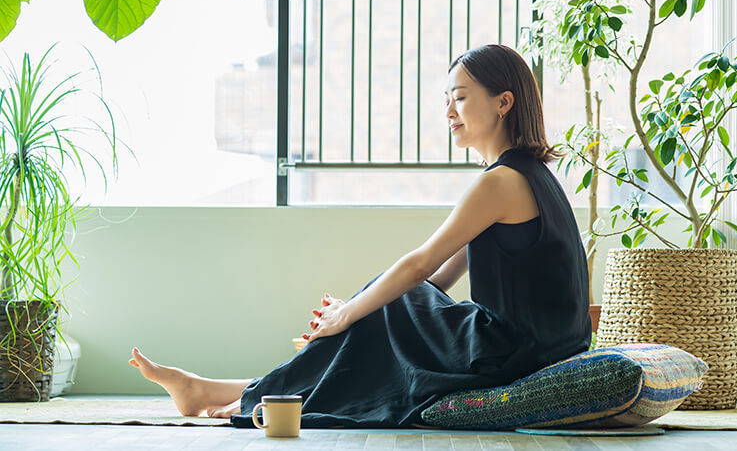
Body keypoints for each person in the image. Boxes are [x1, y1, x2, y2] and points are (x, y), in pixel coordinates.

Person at [129, 44, 592, 428]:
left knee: (389, 300)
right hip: (536, 343)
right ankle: (218, 390)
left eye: (461, 97)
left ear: (503, 102)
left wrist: (348, 314)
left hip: (513, 350)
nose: (448, 111)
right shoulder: (529, 176)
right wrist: (356, 320)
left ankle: (240, 395)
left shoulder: (500, 183)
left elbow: (419, 265)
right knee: (388, 309)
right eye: (447, 98)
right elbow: (439, 278)